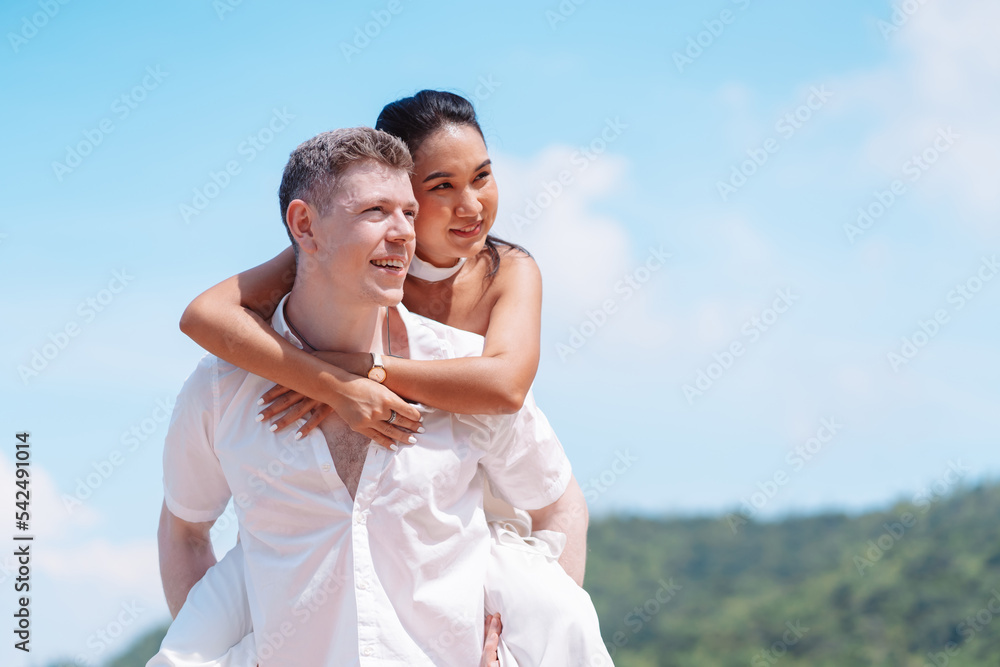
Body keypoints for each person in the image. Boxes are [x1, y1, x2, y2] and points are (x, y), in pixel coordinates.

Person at [153, 127, 612, 666]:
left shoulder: (460, 370)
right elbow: (184, 532)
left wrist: (527, 648)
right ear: (305, 226)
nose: (404, 235)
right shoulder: (221, 389)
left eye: (410, 213)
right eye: (375, 211)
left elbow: (557, 505)